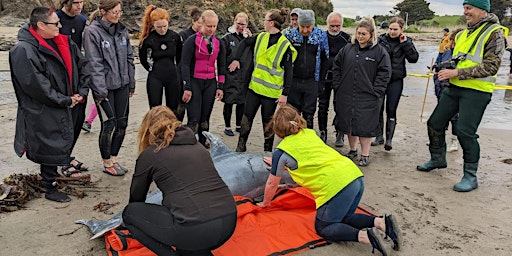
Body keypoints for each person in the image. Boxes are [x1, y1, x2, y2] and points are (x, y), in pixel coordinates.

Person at [257, 105, 401, 256]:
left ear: (278, 129)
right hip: (354, 176)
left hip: (338, 186)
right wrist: (281, 165)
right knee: (343, 218)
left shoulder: (282, 152)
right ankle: (381, 223)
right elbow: (311, 158)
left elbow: (272, 183)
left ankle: (366, 237)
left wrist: (265, 202)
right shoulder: (310, 133)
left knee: (324, 228)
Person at [417, 0, 508, 192]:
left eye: (469, 8)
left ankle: (470, 176)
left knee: (465, 132)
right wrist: (443, 67)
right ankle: (437, 159)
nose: (465, 12)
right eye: (464, 8)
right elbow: (461, 60)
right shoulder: (465, 32)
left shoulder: (495, 33)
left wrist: (456, 73)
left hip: (477, 91)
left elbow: (491, 67)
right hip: (455, 87)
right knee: (434, 123)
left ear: (483, 10)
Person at [123, 106, 237, 256]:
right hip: (229, 222)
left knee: (130, 214)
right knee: (188, 232)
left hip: (195, 228)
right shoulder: (199, 147)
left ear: (148, 129)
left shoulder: (151, 154)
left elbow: (137, 198)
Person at [10, 6, 90, 202]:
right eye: (56, 23)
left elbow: (83, 65)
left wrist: (81, 92)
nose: (60, 26)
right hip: (45, 108)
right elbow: (37, 86)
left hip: (71, 102)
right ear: (40, 25)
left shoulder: (63, 41)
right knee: (49, 144)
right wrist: (65, 100)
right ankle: (50, 187)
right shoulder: (23, 50)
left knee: (62, 141)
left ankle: (56, 177)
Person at [228, 8, 297, 152]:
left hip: (271, 94)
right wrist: (236, 59)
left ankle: (267, 152)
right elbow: (244, 43)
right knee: (247, 118)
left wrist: (285, 93)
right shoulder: (260, 37)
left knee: (268, 124)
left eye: (265, 20)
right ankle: (240, 147)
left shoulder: (284, 45)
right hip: (254, 89)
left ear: (271, 23)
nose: (264, 22)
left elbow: (289, 72)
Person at [83, 0, 135, 176]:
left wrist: (131, 82)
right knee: (108, 124)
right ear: (103, 11)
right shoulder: (92, 32)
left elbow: (129, 58)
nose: (118, 15)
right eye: (114, 12)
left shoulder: (122, 30)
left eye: (120, 12)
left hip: (122, 85)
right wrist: (100, 92)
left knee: (122, 124)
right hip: (104, 89)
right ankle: (106, 162)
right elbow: (94, 64)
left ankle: (113, 158)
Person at [332, 17, 391, 167]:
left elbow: (384, 73)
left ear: (371, 35)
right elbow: (336, 66)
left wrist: (377, 91)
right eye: (358, 33)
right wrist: (337, 85)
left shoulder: (379, 52)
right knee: (349, 124)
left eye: (364, 34)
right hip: (346, 93)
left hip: (368, 96)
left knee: (365, 127)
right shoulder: (348, 49)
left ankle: (365, 155)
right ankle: (352, 150)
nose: (360, 36)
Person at [180, 10, 226, 147]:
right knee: (194, 117)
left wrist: (220, 86)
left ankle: (202, 141)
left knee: (205, 117)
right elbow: (185, 65)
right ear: (202, 24)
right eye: (208, 26)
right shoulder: (191, 41)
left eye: (214, 26)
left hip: (210, 82)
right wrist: (187, 87)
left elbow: (222, 66)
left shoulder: (218, 43)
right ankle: (189, 143)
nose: (211, 29)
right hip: (195, 80)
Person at [373, 16, 419, 151]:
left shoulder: (406, 41)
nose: (392, 32)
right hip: (380, 80)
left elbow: (414, 59)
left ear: (402, 29)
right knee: (378, 108)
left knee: (391, 109)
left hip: (396, 80)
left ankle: (389, 139)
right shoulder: (381, 40)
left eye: (395, 29)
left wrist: (405, 44)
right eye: (390, 29)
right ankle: (378, 136)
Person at [56, 0, 91, 173]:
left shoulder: (82, 21)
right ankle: (61, 160)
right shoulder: (55, 19)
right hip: (60, 77)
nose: (80, 5)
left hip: (79, 75)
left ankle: (67, 155)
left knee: (78, 119)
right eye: (76, 2)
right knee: (63, 121)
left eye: (82, 2)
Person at [284, 10, 329, 129]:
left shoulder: (320, 35)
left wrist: (321, 82)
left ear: (313, 24)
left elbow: (325, 59)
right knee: (293, 114)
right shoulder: (290, 35)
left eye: (308, 27)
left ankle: (307, 141)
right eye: (302, 26)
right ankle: (292, 141)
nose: (304, 30)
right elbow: (284, 59)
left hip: (312, 81)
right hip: (294, 80)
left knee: (309, 114)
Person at [139, 5, 182, 112]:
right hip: (155, 76)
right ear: (153, 25)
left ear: (168, 22)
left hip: (172, 76)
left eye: (164, 26)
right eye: (159, 27)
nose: (162, 29)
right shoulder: (148, 39)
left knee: (173, 109)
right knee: (155, 109)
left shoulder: (175, 37)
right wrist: (150, 69)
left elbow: (180, 57)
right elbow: (143, 59)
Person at [318, 11, 351, 146]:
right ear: (327, 24)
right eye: (332, 26)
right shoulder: (321, 37)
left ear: (341, 25)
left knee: (340, 106)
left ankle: (340, 133)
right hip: (324, 77)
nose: (335, 28)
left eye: (337, 26)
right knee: (322, 106)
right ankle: (323, 131)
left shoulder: (347, 39)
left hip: (341, 78)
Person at [221, 12, 253, 136]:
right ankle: (227, 126)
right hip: (230, 75)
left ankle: (238, 125)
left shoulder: (249, 39)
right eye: (238, 23)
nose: (240, 26)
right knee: (229, 102)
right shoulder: (227, 38)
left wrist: (250, 39)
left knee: (241, 102)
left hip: (244, 76)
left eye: (243, 24)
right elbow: (222, 58)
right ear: (234, 22)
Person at [432, 29, 463, 153]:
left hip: (453, 87)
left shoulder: (461, 54)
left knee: (454, 116)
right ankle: (440, 139)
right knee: (441, 114)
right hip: (441, 86)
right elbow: (439, 64)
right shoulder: (446, 51)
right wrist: (435, 68)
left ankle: (454, 141)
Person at [176, 6, 202, 122]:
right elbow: (179, 57)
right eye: (199, 24)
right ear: (193, 21)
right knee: (180, 107)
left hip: (197, 75)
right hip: (183, 73)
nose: (201, 27)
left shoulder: (205, 37)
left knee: (195, 109)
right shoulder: (184, 35)